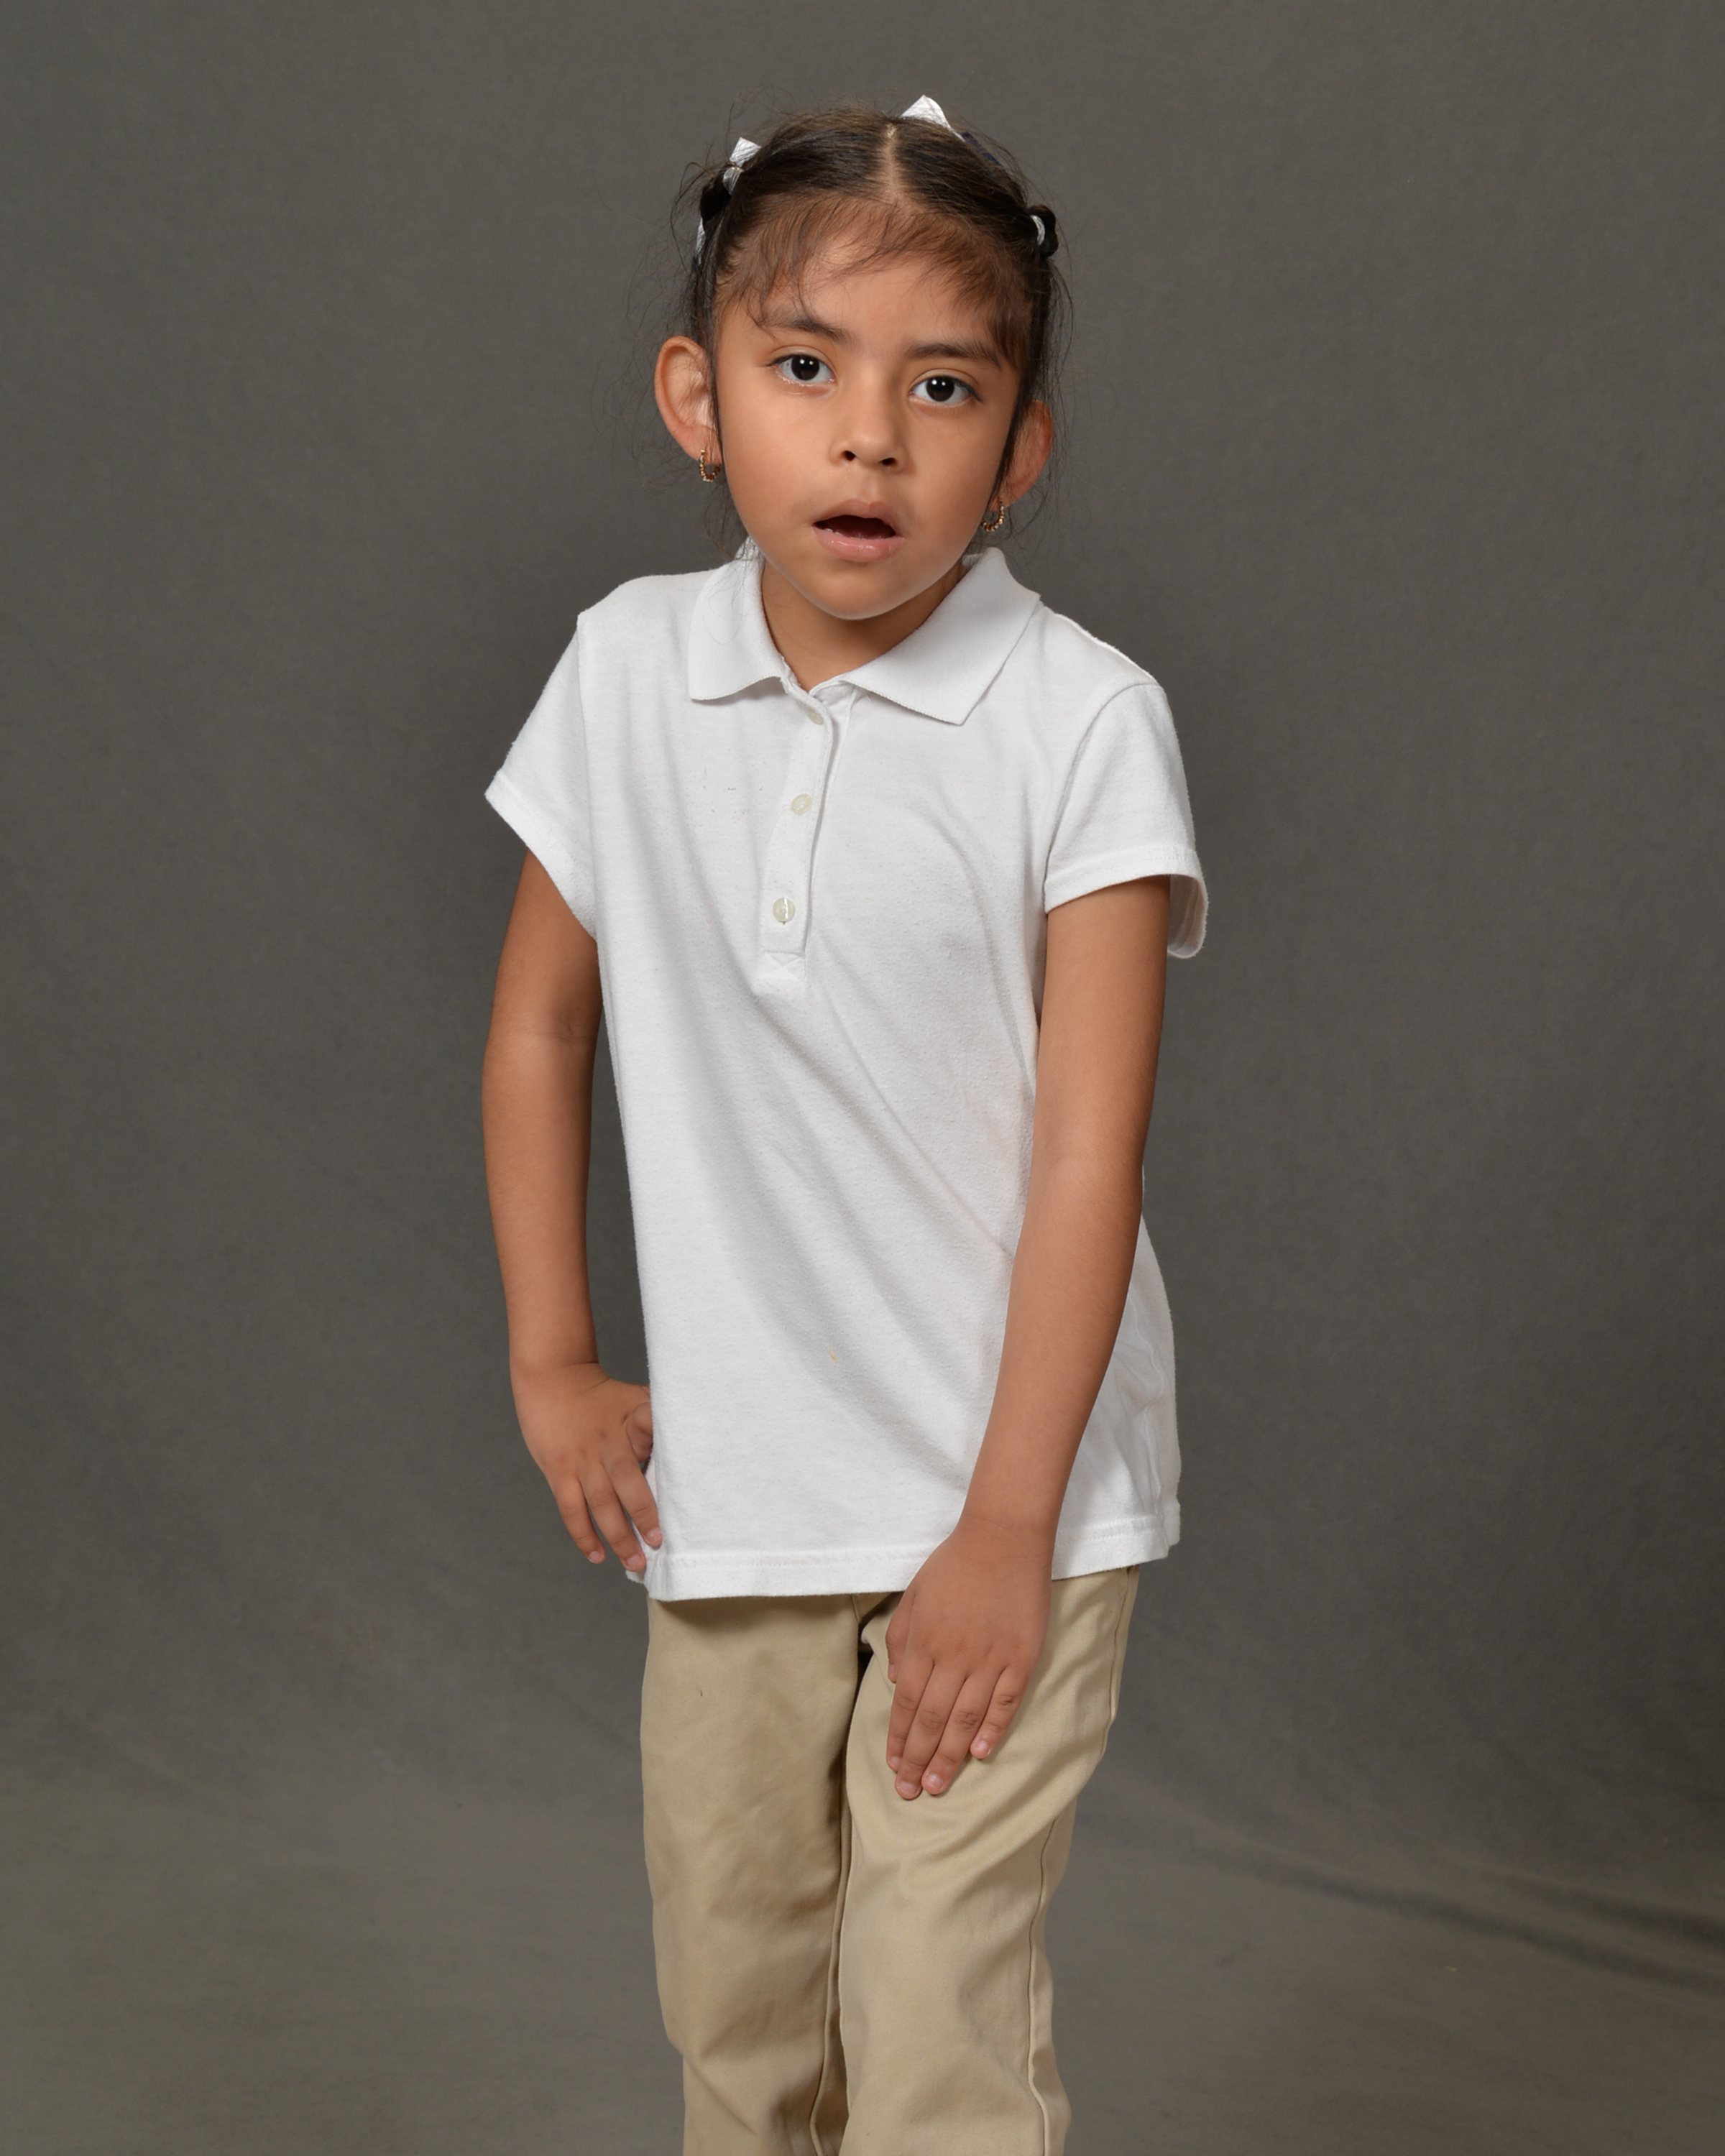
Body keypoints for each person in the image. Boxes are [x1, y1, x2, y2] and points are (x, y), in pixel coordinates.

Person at [481, 94, 1207, 2156]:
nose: (871, 437)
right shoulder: (627, 672)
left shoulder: (1082, 724)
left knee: (931, 2014)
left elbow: (1090, 1159)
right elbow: (538, 1026)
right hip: (745, 1489)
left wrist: (1005, 1529)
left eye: (943, 387)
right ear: (698, 400)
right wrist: (552, 1359)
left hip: (1014, 1491)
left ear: (1021, 446)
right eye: (807, 368)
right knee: (737, 2004)